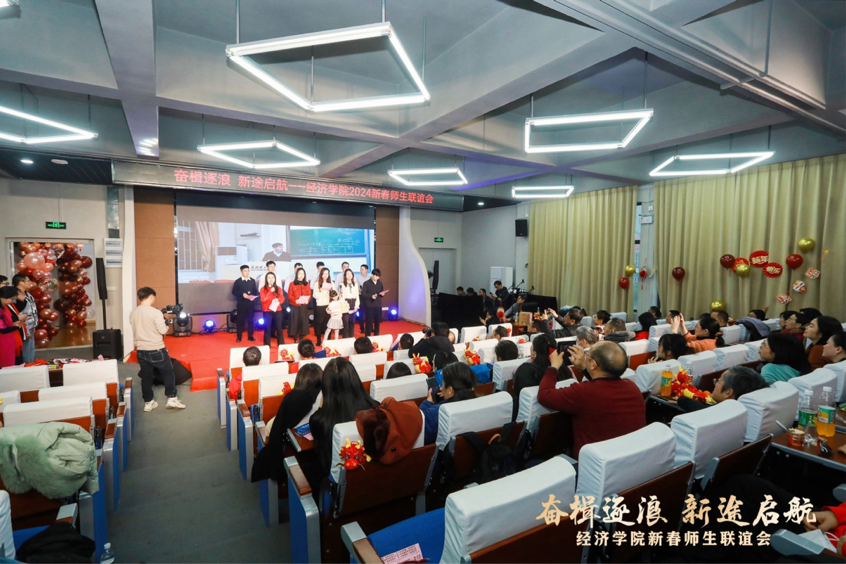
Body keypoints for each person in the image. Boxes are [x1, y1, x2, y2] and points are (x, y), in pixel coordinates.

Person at [539, 342, 646, 457]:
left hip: (592, 461)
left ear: (594, 364)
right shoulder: (632, 387)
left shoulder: (582, 392)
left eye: (587, 355)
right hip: (628, 456)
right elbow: (602, 385)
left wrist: (553, 367)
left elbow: (544, 395)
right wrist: (585, 368)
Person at [251, 363, 323, 483]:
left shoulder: (290, 399)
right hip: (312, 451)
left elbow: (275, 426)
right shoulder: (323, 398)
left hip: (287, 447)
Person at [309, 358, 379, 481]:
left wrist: (322, 406)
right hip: (372, 478)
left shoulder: (318, 420)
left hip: (336, 484)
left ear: (326, 387)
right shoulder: (376, 409)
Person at [129, 287, 186, 411]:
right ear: (151, 297)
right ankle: (172, 398)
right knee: (168, 372)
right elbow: (162, 331)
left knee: (146, 376)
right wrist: (167, 325)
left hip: (141, 350)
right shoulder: (155, 313)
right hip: (156, 349)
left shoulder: (133, 313)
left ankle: (148, 402)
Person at [419, 362, 477, 445]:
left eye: (443, 384)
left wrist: (427, 403)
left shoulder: (434, 413)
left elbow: (419, 430)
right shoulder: (479, 403)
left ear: (450, 390)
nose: (441, 388)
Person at [676, 366, 768, 412]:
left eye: (718, 381)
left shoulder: (721, 415)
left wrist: (681, 400)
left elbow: (710, 411)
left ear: (728, 392)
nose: (715, 384)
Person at [511, 334, 553, 420]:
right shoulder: (564, 370)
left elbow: (515, 371)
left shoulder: (527, 371)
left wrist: (532, 359)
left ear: (535, 352)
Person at [11, 274, 36, 364]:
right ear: (21, 283)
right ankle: (26, 366)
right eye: (28, 281)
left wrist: (34, 324)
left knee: (31, 349)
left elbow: (32, 310)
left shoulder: (27, 294)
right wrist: (21, 301)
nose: (30, 283)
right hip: (23, 326)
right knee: (25, 350)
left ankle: (31, 364)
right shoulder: (15, 294)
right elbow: (15, 310)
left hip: (30, 325)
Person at [232, 265, 258, 343]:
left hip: (250, 304)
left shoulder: (252, 280)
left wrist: (253, 296)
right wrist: (242, 294)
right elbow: (234, 292)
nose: (247, 272)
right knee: (240, 320)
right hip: (241, 304)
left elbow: (255, 291)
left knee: (250, 320)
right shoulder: (238, 281)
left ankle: (250, 336)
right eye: (245, 271)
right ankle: (239, 336)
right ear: (241, 272)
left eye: (248, 270)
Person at [260, 272, 285, 348]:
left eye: (272, 278)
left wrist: (278, 300)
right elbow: (263, 299)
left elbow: (282, 298)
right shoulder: (263, 289)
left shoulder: (278, 288)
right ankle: (267, 346)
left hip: (277, 310)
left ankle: (281, 346)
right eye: (269, 278)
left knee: (279, 329)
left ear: (275, 279)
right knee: (267, 329)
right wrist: (270, 292)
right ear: (266, 279)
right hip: (267, 311)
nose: (271, 279)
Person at [0, 286, 23, 368]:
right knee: (6, 366)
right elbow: (2, 329)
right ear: (3, 298)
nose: (12, 301)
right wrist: (16, 327)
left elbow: (4, 324)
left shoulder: (3, 308)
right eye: (11, 299)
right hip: (3, 342)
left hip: (8, 341)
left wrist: (13, 324)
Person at [287, 267, 310, 342]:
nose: (301, 275)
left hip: (303, 306)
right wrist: (295, 300)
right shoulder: (292, 284)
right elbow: (289, 295)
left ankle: (301, 337)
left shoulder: (307, 284)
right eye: (299, 273)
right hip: (295, 306)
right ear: (296, 274)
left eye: (303, 274)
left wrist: (307, 300)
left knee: (303, 321)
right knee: (295, 321)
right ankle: (294, 337)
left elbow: (309, 294)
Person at [361, 268, 386, 336]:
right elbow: (363, 294)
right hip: (369, 305)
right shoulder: (366, 283)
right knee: (369, 322)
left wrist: (382, 294)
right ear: (372, 275)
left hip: (378, 305)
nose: (377, 278)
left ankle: (376, 334)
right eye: (376, 276)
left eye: (378, 276)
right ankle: (368, 336)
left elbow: (381, 292)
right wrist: (371, 296)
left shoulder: (380, 283)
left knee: (377, 321)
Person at [312, 268, 332, 346]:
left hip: (329, 305)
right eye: (324, 274)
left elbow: (335, 294)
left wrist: (332, 291)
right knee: (319, 323)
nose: (325, 275)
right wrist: (320, 291)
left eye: (327, 274)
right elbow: (314, 296)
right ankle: (319, 340)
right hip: (320, 305)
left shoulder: (331, 283)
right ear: (321, 274)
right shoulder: (317, 283)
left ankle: (328, 339)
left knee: (328, 323)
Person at [339, 268, 359, 339]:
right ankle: (345, 338)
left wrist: (356, 306)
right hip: (345, 303)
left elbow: (357, 296)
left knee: (352, 322)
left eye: (351, 274)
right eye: (347, 274)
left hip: (353, 302)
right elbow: (341, 296)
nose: (349, 275)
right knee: (345, 322)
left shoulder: (355, 284)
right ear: (345, 276)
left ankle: (351, 337)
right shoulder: (342, 284)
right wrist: (345, 307)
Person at [356, 265, 370, 334]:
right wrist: (360, 290)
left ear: (366, 270)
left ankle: (369, 327)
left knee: (369, 313)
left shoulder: (370, 277)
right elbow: (356, 287)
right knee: (361, 313)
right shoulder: (358, 278)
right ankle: (362, 328)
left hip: (368, 297)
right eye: (360, 269)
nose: (361, 270)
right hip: (361, 296)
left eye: (362, 269)